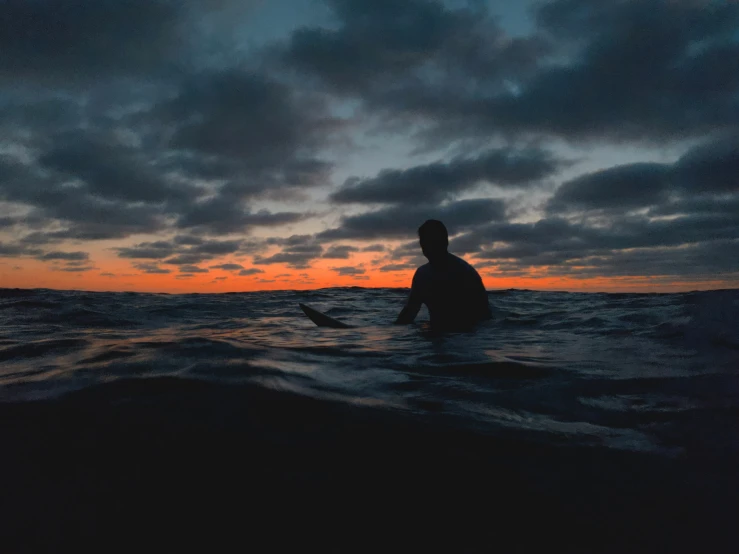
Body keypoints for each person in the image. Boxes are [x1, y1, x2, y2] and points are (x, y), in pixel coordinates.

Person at [395, 219, 491, 328]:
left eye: (433, 241)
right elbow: (409, 312)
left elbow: (483, 314)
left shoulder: (465, 272)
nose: (428, 246)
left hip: (464, 336)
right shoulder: (422, 275)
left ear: (445, 242)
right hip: (434, 334)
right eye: (424, 242)